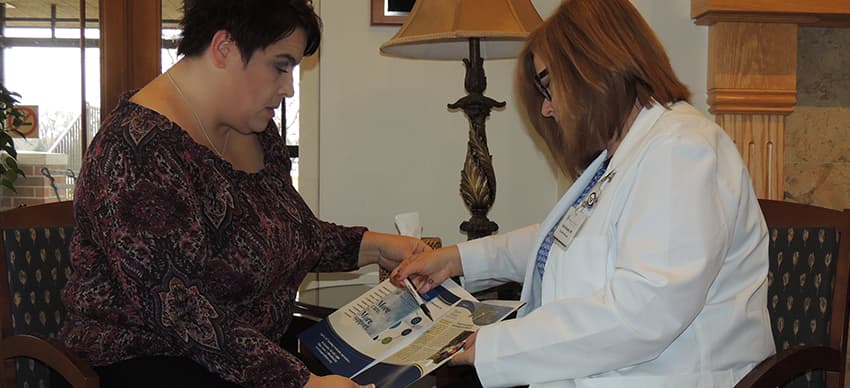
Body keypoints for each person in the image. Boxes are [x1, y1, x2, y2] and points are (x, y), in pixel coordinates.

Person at [391, 0, 775, 387]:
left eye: (548, 84)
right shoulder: (624, 151)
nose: (546, 108)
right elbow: (565, 241)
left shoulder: (682, 150)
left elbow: (645, 314)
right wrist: (456, 260)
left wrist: (494, 345)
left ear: (595, 66)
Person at [57, 1, 428, 387]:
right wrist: (304, 383)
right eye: (280, 67)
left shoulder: (255, 130)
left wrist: (375, 246)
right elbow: (178, 309)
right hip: (148, 363)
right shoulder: (136, 150)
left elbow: (278, 233)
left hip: (247, 356)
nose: (288, 88)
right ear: (224, 49)